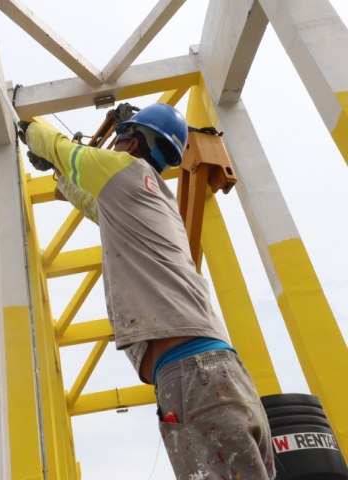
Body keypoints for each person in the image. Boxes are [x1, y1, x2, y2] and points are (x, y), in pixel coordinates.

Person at [18, 103, 275, 479]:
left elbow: (60, 148)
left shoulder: (124, 169)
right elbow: (95, 205)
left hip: (193, 379)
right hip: (221, 376)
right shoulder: (152, 198)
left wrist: (28, 130)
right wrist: (62, 175)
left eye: (120, 139)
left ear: (132, 142)